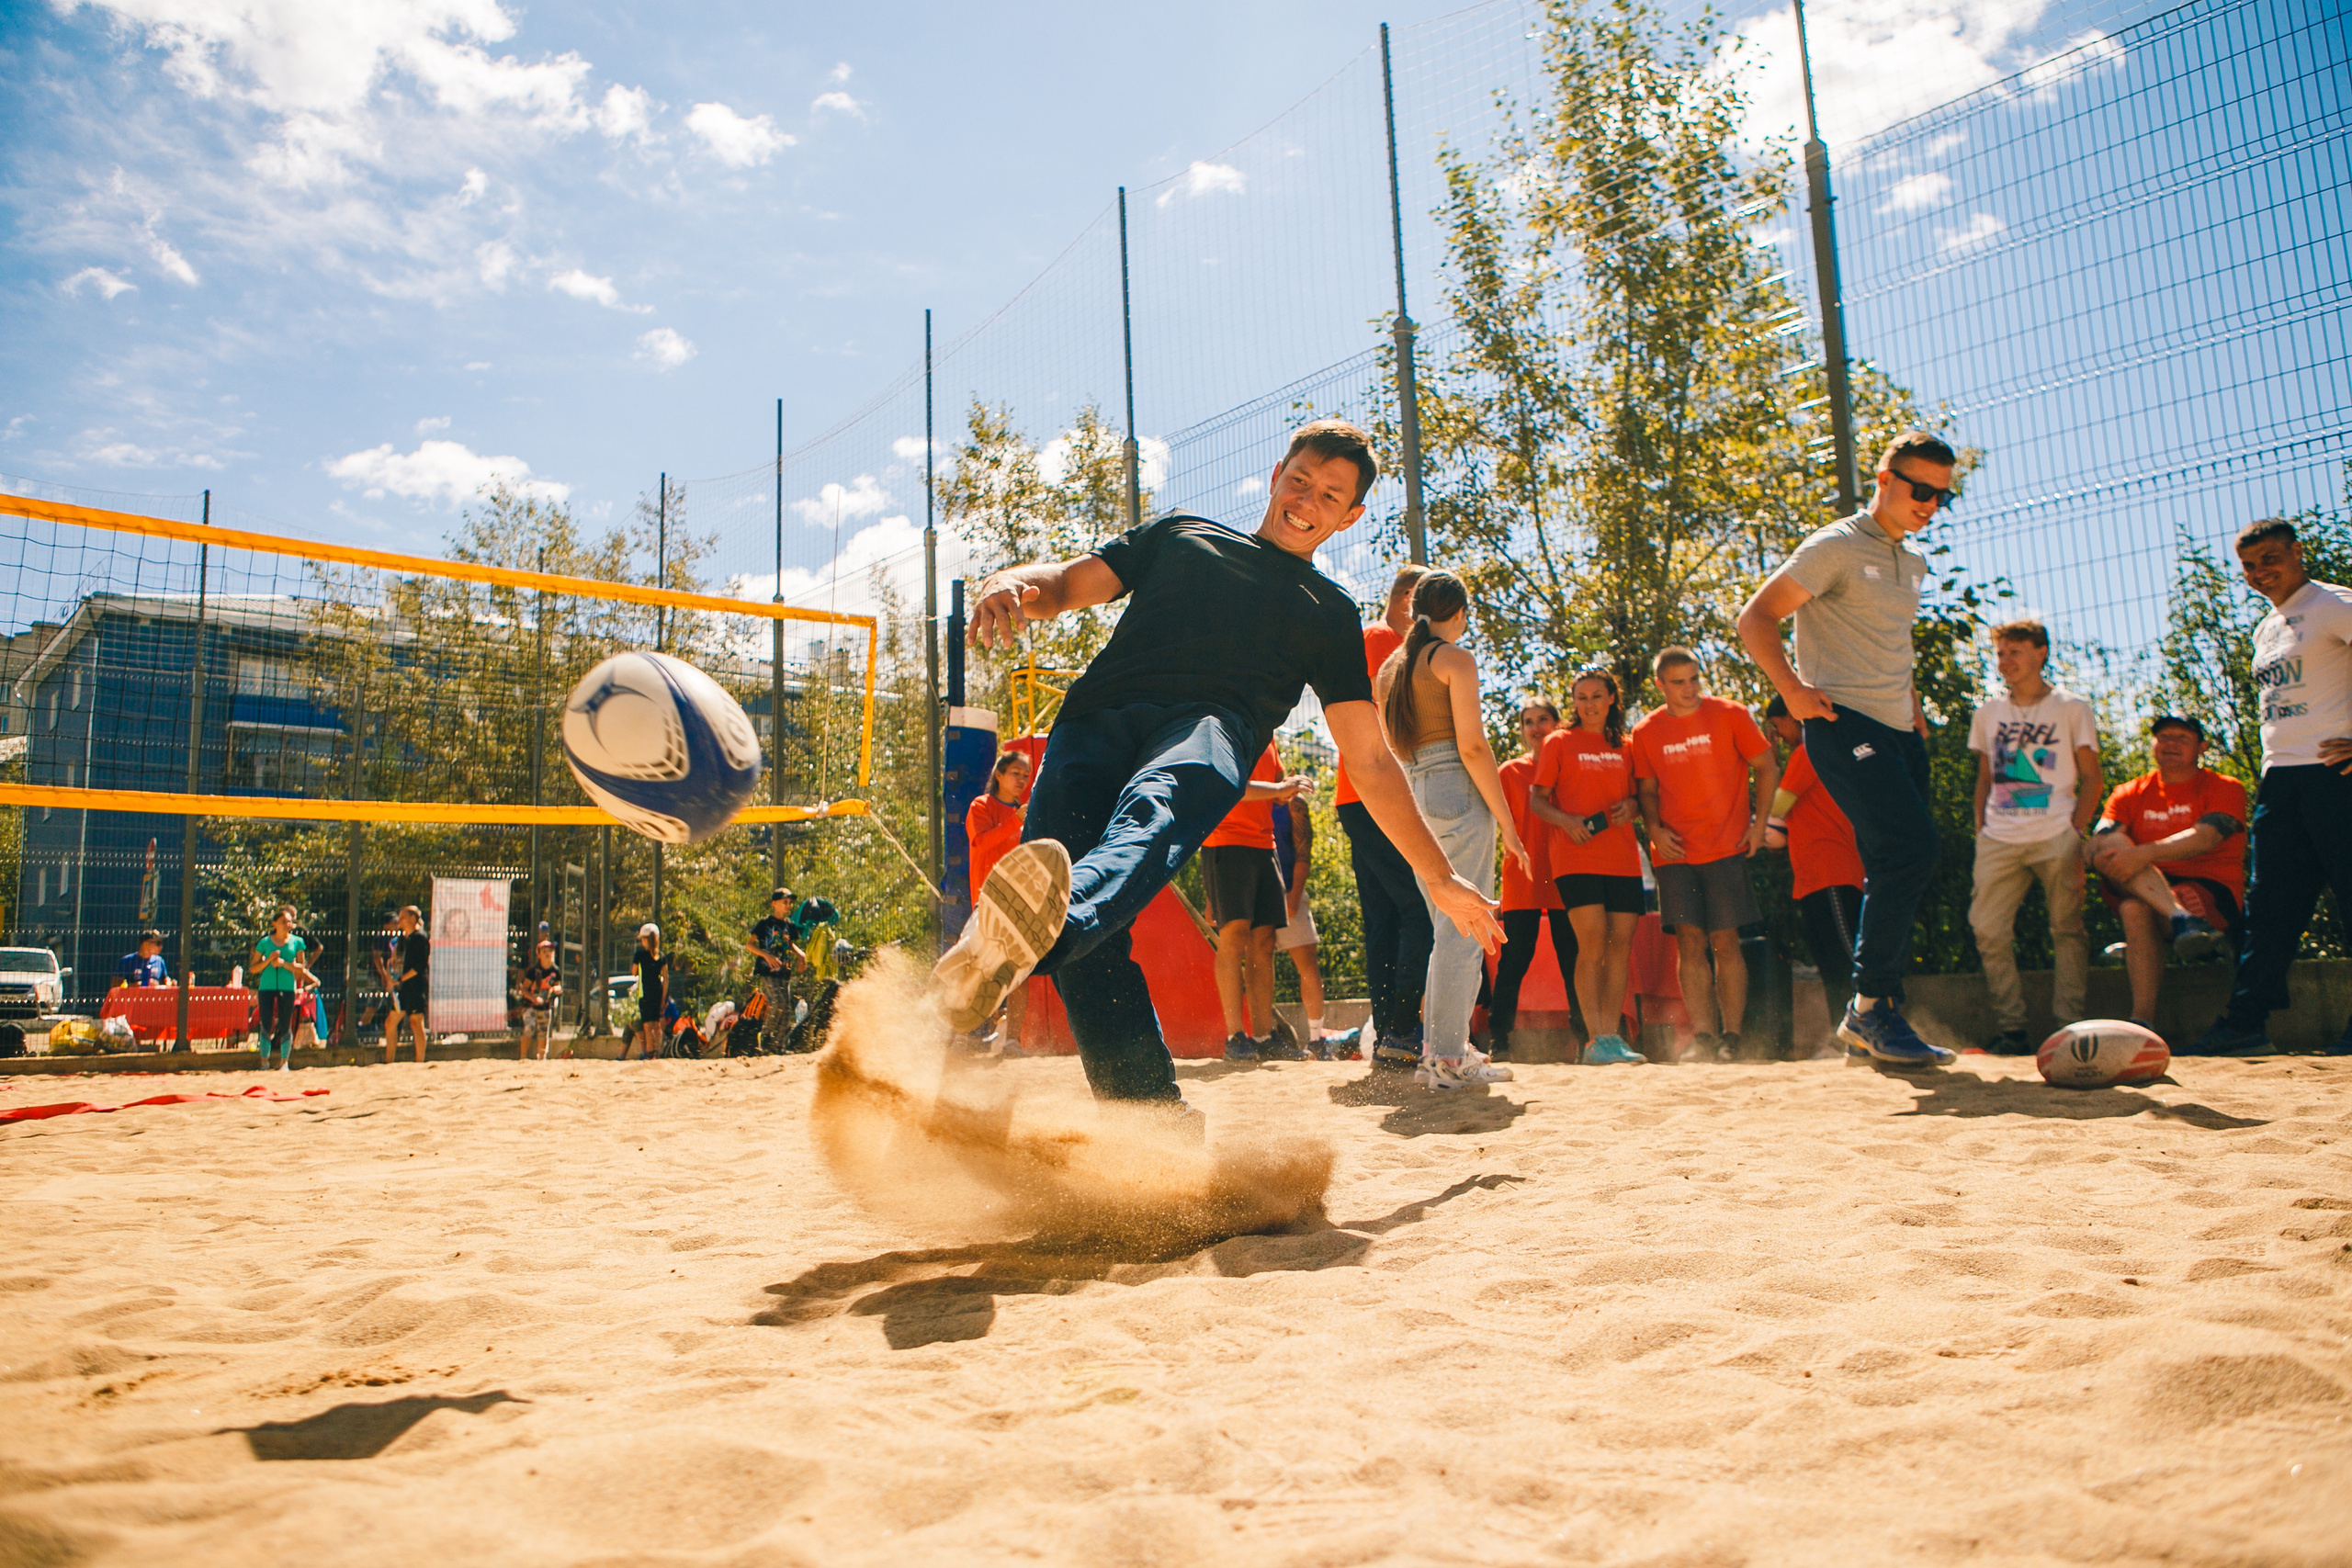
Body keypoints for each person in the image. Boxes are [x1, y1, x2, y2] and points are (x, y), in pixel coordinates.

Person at [941, 420, 1502, 1125]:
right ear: (1276, 474)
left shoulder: (1327, 612)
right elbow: (1060, 585)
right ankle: (1152, 1124)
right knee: (1091, 935)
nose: (1307, 499)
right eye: (1300, 479)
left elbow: (1368, 758)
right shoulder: (1183, 534)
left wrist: (1438, 875)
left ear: (1350, 515)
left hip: (1206, 733)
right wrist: (1008, 583)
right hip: (1096, 721)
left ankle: (1039, 931)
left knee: (1150, 816)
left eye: (1330, 495)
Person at [1736, 431, 1964, 1066]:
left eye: (1942, 496)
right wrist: (1793, 689)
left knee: (1900, 863)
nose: (1930, 504)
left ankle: (1872, 1020)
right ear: (1886, 478)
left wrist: (1913, 709)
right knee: (1909, 848)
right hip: (1843, 722)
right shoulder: (1836, 545)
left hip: (1898, 731)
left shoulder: (1910, 562)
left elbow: (1892, 645)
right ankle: (1870, 1010)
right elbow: (1755, 617)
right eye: (1921, 489)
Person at [2193, 517, 2352, 1056]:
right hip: (2280, 781)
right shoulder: (2268, 627)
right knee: (2269, 908)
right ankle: (2245, 1023)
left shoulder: (2332, 604)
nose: (2261, 572)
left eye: (2269, 558)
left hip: (2336, 776)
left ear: (2297, 552)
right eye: (2249, 566)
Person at [1375, 570, 1530, 1089]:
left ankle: (1446, 1051)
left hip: (1416, 793)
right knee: (1466, 930)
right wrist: (1508, 824)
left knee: (1448, 928)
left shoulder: (1393, 668)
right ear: (1459, 614)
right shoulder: (1454, 659)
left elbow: (1395, 748)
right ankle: (1444, 1057)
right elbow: (1473, 747)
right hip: (1457, 791)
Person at [1629, 649, 1778, 1061]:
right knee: (1690, 945)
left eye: (1695, 679)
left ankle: (1733, 1037)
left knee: (1726, 942)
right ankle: (1705, 1038)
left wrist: (1758, 823)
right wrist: (1655, 830)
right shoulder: (1645, 731)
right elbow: (1646, 791)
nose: (1690, 688)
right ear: (1660, 685)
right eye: (1679, 682)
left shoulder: (1730, 714)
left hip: (1725, 846)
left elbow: (1767, 765)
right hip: (1675, 852)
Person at [1966, 618, 2101, 1053]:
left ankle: (2069, 1028)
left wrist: (2074, 829)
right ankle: (2013, 1029)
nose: (2005, 662)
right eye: (2001, 653)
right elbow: (1984, 778)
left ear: (2040, 652)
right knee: (1987, 929)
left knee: (2067, 927)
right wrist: (1980, 828)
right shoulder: (1988, 712)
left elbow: (2092, 777)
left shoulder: (2071, 707)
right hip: (1998, 837)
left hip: (2055, 833)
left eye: (2015, 652)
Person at [1335, 566, 1438, 1071]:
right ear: (1407, 600)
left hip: (1361, 795)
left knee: (1385, 916)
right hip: (1375, 793)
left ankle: (1390, 1036)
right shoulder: (1382, 639)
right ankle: (1400, 1025)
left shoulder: (1391, 644)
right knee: (1418, 907)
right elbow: (1384, 713)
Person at [2086, 715, 2243, 1032]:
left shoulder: (2225, 787)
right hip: (2148, 886)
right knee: (2122, 878)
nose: (2171, 743)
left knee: (2134, 906)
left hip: (2210, 888)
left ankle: (2143, 1018)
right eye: (2164, 737)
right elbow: (2099, 841)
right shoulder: (2129, 792)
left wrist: (2143, 853)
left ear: (2202, 747)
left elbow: (2206, 838)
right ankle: (2142, 1023)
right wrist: (2099, 854)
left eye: (2182, 738)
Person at [1531, 671, 1647, 1065]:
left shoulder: (1628, 746)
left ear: (1612, 698)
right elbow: (1538, 800)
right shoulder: (1558, 742)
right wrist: (1566, 821)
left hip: (1622, 859)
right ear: (1574, 703)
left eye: (1597, 696)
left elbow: (1641, 798)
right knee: (1593, 941)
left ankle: (1612, 1036)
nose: (1590, 704)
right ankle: (1595, 1038)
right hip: (1576, 857)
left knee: (1620, 946)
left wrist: (1632, 807)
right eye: (1581, 697)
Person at [1762, 694, 1867, 1050]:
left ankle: (1865, 1028)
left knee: (1844, 956)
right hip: (1813, 875)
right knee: (1830, 959)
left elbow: (1777, 811)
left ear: (1792, 717)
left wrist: (1767, 771)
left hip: (1832, 870)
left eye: (1777, 727)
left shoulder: (1808, 750)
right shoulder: (1816, 750)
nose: (1777, 735)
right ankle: (1848, 1036)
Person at [1203, 741, 1310, 1060]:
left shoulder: (1270, 737)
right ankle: (1235, 1037)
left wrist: (1288, 790)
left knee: (1264, 941)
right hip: (1226, 842)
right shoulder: (1228, 727)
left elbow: (1273, 791)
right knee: (1234, 936)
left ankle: (1265, 1037)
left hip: (1265, 845)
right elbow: (1232, 787)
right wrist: (1280, 786)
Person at [1488, 699, 1576, 1063]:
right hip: (1522, 879)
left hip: (1566, 875)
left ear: (1558, 724)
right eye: (1529, 722)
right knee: (1514, 960)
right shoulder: (1509, 773)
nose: (1536, 727)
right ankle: (1500, 1040)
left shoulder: (1570, 767)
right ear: (1522, 730)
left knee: (1573, 958)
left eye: (1543, 720)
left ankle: (1586, 1036)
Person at [965, 750, 1035, 1053]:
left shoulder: (1024, 814)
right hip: (987, 902)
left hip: (1018, 904)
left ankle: (1013, 1041)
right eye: (1016, 773)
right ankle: (969, 1035)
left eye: (1026, 774)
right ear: (999, 775)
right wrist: (1013, 821)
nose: (1022, 779)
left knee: (1019, 973)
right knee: (982, 972)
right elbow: (981, 843)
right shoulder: (981, 806)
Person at [1271, 787, 1340, 1057]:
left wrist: (1295, 895)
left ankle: (1316, 1039)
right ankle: (1263, 1037)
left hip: (1289, 892)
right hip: (1253, 893)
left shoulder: (1293, 803)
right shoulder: (1242, 793)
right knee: (1259, 964)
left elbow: (1302, 852)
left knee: (1307, 962)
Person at [251, 905, 312, 1071]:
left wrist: (284, 964)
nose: (288, 925)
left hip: (287, 988)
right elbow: (253, 968)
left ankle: (284, 1062)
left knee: (286, 1024)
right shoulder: (264, 942)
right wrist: (268, 960)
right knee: (266, 1024)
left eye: (290, 922)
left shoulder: (297, 942)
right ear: (274, 924)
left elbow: (301, 969)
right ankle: (264, 1060)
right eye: (284, 921)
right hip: (266, 987)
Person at [746, 887, 803, 1055]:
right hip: (767, 970)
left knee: (785, 1009)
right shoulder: (764, 924)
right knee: (777, 1003)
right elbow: (749, 944)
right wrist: (765, 955)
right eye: (785, 902)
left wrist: (801, 955)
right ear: (774, 904)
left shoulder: (789, 925)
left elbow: (790, 944)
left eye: (790, 903)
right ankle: (764, 1036)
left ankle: (778, 1045)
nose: (788, 905)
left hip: (784, 970)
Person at [384, 905, 430, 1064]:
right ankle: (389, 1061)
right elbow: (399, 959)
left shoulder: (420, 938)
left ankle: (420, 1061)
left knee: (416, 1022)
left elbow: (419, 967)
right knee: (390, 1023)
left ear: (412, 918)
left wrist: (401, 979)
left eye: (402, 917)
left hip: (415, 987)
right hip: (403, 988)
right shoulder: (405, 939)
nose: (399, 921)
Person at [622, 923, 668, 1061]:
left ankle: (649, 1054)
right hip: (658, 992)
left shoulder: (640, 954)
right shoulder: (661, 956)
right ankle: (656, 1052)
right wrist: (663, 998)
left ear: (645, 939)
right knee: (656, 1024)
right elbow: (666, 978)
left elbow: (633, 972)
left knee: (648, 1025)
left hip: (645, 993)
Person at [518, 937, 560, 1060]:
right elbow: (524, 989)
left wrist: (557, 989)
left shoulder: (555, 971)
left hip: (545, 1006)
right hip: (530, 1005)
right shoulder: (534, 971)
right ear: (539, 955)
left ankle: (542, 1057)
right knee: (529, 1029)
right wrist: (533, 998)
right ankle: (523, 1056)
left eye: (550, 951)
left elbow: (556, 985)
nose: (548, 954)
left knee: (543, 1032)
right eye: (544, 952)